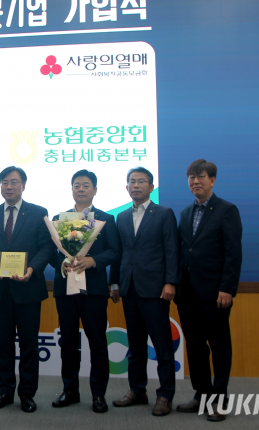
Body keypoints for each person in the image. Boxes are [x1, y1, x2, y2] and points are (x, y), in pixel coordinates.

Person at [174, 159, 242, 422]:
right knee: (195, 347)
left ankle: (220, 400)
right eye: (191, 177)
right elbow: (184, 252)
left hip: (215, 295)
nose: (195, 182)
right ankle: (202, 394)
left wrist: (227, 288)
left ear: (212, 180)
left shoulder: (227, 210)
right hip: (188, 294)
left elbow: (233, 254)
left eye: (200, 176)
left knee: (219, 347)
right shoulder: (185, 213)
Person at [49, 170, 121, 413]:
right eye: (77, 185)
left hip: (94, 290)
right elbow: (51, 252)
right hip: (65, 290)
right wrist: (61, 262)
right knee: (68, 342)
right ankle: (70, 390)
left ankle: (98, 394)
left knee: (97, 343)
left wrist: (93, 261)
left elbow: (115, 251)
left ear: (95, 190)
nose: (81, 189)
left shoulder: (106, 219)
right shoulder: (60, 218)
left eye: (86, 185)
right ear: (71, 189)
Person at [110, 167, 179, 416]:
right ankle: (137, 390)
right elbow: (119, 253)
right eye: (132, 181)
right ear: (126, 187)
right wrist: (114, 283)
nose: (136, 185)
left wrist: (170, 282)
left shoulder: (164, 213)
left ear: (151, 187)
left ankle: (165, 395)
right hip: (129, 289)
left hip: (155, 290)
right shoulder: (121, 217)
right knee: (136, 346)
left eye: (141, 181)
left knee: (162, 347)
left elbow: (172, 249)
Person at [0, 166, 52, 413]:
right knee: (3, 345)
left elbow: (46, 247)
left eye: (14, 182)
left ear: (24, 185)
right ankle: (4, 391)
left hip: (28, 289)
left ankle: (27, 394)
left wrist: (32, 269)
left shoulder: (38, 213)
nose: (9, 186)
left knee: (29, 344)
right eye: (4, 182)